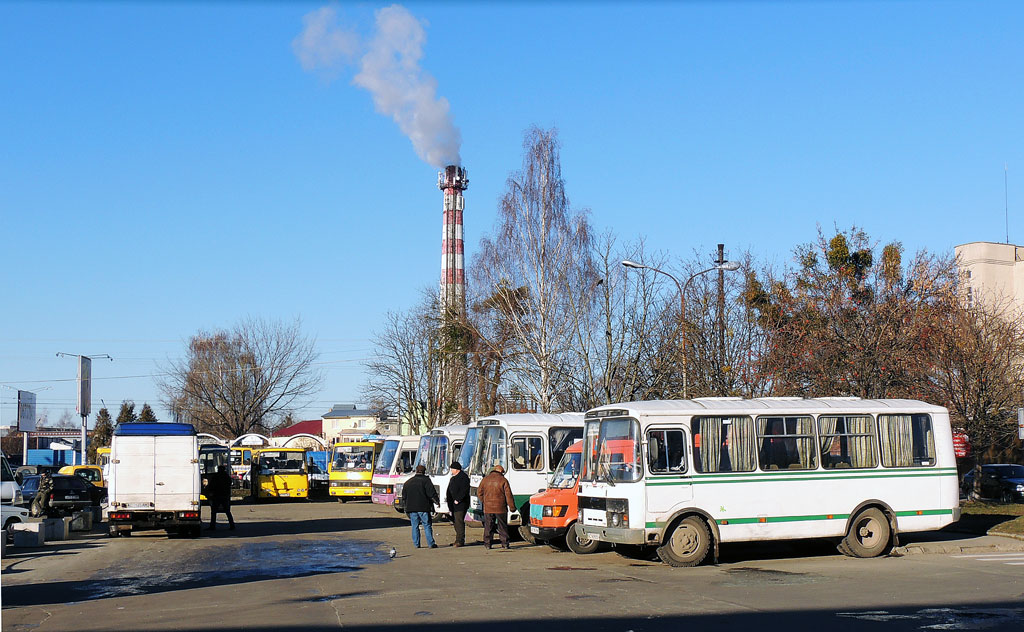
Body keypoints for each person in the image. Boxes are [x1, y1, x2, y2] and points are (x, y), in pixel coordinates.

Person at [476, 464, 516, 550]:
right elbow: (508, 495)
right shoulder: (503, 480)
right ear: (501, 472)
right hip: (501, 508)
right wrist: (512, 507)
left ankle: (487, 544)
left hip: (488, 508)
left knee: (488, 526)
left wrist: (485, 501)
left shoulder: (485, 480)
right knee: (502, 526)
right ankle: (505, 543)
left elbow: (479, 493)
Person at [401, 464, 439, 548]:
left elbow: (404, 496)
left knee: (415, 526)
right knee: (427, 525)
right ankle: (431, 543)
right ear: (424, 471)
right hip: (423, 507)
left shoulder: (408, 482)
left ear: (416, 471)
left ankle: (416, 544)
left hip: (411, 508)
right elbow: (431, 493)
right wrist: (437, 502)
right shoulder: (426, 481)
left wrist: (405, 506)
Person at [445, 460, 470, 547]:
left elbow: (464, 490)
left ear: (457, 469)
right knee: (455, 521)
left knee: (459, 522)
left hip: (460, 504)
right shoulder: (453, 478)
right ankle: (457, 539)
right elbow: (449, 491)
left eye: (452, 469)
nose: (451, 470)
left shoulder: (464, 477)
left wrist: (458, 499)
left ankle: (460, 540)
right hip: (452, 504)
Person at [206, 465, 235, 530]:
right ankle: (232, 525)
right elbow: (230, 483)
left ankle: (212, 526)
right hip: (225, 496)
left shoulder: (216, 476)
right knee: (227, 511)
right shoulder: (227, 476)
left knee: (214, 511)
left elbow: (212, 485)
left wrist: (209, 492)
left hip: (217, 496)